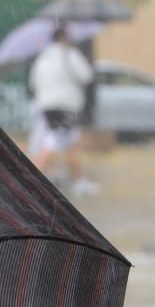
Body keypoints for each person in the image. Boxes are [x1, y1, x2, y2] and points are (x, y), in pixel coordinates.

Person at [28, 25, 97, 196]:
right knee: (54, 143)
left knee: (71, 143)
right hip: (66, 106)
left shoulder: (42, 58)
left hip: (47, 106)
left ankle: (78, 180)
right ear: (64, 38)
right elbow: (87, 76)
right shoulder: (70, 54)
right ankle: (28, 181)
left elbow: (33, 83)